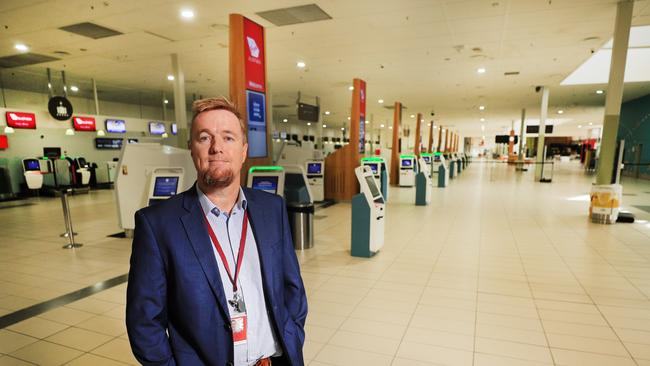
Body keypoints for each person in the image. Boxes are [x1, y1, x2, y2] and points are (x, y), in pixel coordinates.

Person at [126, 97, 307, 366]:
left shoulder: (272, 209)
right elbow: (144, 322)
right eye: (204, 137)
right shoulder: (158, 224)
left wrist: (293, 334)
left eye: (228, 138)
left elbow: (293, 288)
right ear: (191, 149)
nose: (216, 148)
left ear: (244, 150)